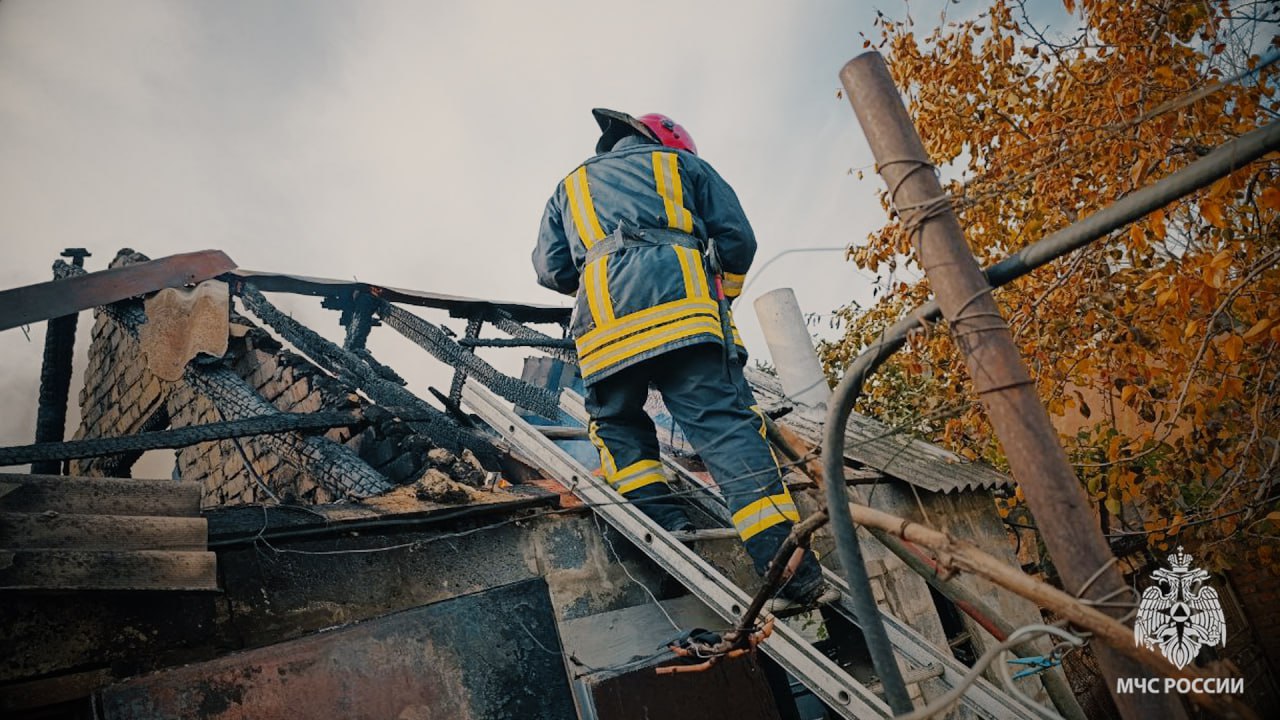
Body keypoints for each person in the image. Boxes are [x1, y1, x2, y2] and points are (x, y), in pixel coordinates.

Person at [532, 108, 836, 608]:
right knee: (726, 431)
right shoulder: (683, 166)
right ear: (664, 141)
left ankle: (664, 525)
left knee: (618, 427)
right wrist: (723, 295)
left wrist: (600, 270)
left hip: (605, 333)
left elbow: (550, 269)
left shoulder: (569, 187)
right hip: (688, 323)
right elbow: (739, 240)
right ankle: (791, 575)